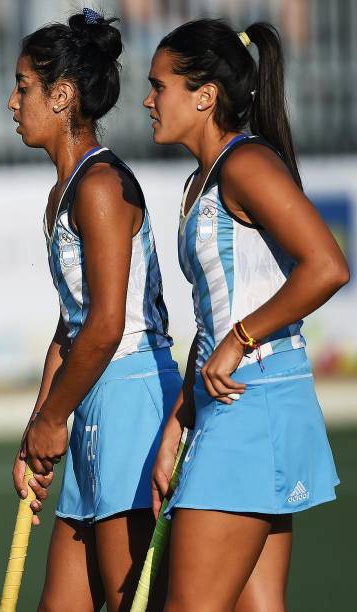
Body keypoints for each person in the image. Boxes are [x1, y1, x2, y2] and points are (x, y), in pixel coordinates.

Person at [143, 19, 348, 610]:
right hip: (231, 403)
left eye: (160, 86)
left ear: (205, 95)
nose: (148, 99)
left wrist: (240, 338)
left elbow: (328, 265)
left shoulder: (246, 164)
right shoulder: (199, 181)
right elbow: (212, 321)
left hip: (253, 405)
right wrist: (180, 419)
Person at [6, 8, 180, 611]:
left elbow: (106, 327)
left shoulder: (101, 185)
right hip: (93, 399)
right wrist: (39, 426)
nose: (12, 101)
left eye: (24, 87)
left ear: (62, 96)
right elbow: (71, 325)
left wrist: (55, 418)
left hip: (131, 399)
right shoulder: (65, 188)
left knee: (131, 600)